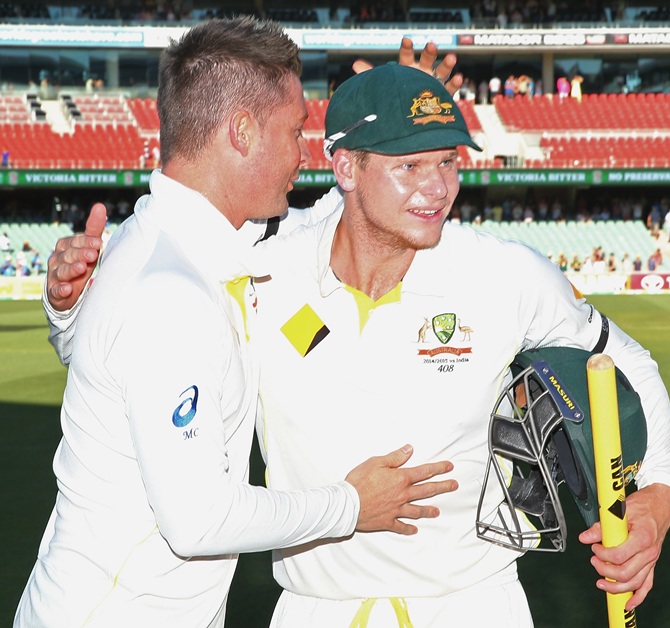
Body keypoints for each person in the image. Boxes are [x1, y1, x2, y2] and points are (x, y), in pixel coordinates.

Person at [43, 64, 670, 627]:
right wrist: (69, 303)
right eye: (409, 166)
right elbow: (127, 331)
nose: (438, 188)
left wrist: (658, 498)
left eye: (448, 161)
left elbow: (629, 368)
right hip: (313, 611)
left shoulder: (507, 276)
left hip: (473, 607)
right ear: (344, 168)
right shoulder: (259, 266)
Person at [15, 20, 459, 628]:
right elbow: (200, 520)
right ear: (243, 132)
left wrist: (399, 133)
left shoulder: (166, 237)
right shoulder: (171, 291)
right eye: (296, 130)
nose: (308, 153)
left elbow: (333, 211)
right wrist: (351, 505)